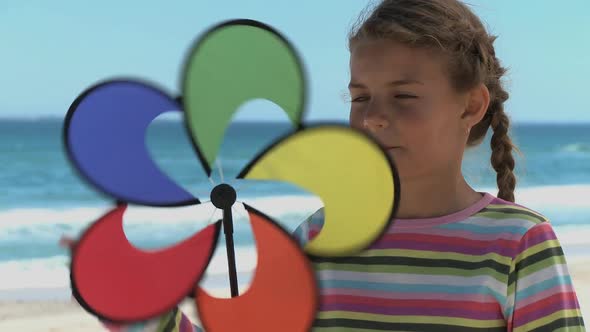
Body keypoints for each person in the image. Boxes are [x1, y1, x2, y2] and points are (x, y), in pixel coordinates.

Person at [60, 0, 586, 330]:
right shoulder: (320, 236)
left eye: (403, 96)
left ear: (471, 106)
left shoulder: (519, 245)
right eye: (361, 97)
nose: (374, 118)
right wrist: (134, 301)